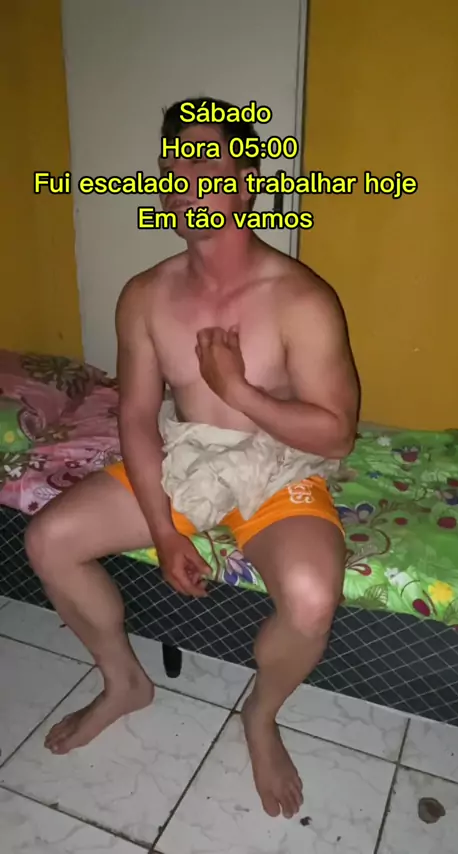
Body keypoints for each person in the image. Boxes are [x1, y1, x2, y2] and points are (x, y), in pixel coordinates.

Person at [25, 97, 360, 820]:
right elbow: (137, 415)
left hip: (277, 465)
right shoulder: (146, 295)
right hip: (187, 457)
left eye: (207, 163)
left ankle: (260, 716)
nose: (185, 181)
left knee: (311, 598)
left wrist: (238, 391)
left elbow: (336, 435)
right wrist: (164, 528)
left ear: (246, 183)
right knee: (49, 540)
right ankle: (124, 682)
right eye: (173, 166)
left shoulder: (301, 299)